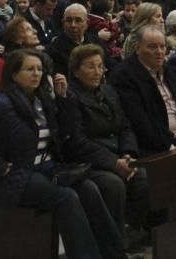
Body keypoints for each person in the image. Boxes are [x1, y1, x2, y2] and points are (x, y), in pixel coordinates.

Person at [0, 49, 127, 259]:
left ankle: (115, 254)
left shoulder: (42, 100)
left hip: (46, 169)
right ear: (13, 74)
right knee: (67, 197)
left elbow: (64, 134)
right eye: (30, 69)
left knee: (89, 188)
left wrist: (64, 98)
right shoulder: (0, 103)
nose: (36, 74)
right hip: (15, 175)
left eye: (39, 69)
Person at [68, 44, 149, 241]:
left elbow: (125, 127)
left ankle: (132, 231)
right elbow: (78, 142)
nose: (97, 72)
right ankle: (110, 241)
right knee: (113, 185)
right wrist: (113, 162)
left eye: (100, 66)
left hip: (118, 154)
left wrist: (128, 153)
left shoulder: (108, 91)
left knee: (143, 177)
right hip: (89, 161)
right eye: (90, 67)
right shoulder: (71, 97)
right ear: (76, 71)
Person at [110, 25, 176, 154]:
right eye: (152, 47)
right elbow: (138, 121)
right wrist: (166, 145)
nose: (160, 52)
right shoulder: (124, 76)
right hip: (154, 148)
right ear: (137, 49)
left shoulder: (165, 68)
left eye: (162, 46)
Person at [48, 4, 106, 76]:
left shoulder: (96, 42)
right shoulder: (55, 48)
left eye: (78, 20)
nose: (73, 25)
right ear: (63, 23)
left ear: (87, 23)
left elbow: (109, 64)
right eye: (69, 20)